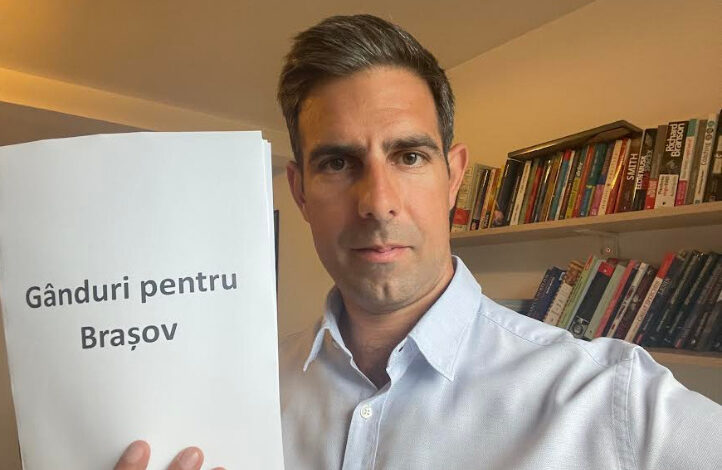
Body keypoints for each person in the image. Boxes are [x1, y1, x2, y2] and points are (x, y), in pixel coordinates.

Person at [115, 14, 722, 470]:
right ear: (299, 191)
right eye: (338, 163)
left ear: (452, 177)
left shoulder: (614, 401)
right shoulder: (234, 395)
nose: (377, 201)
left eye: (408, 156)